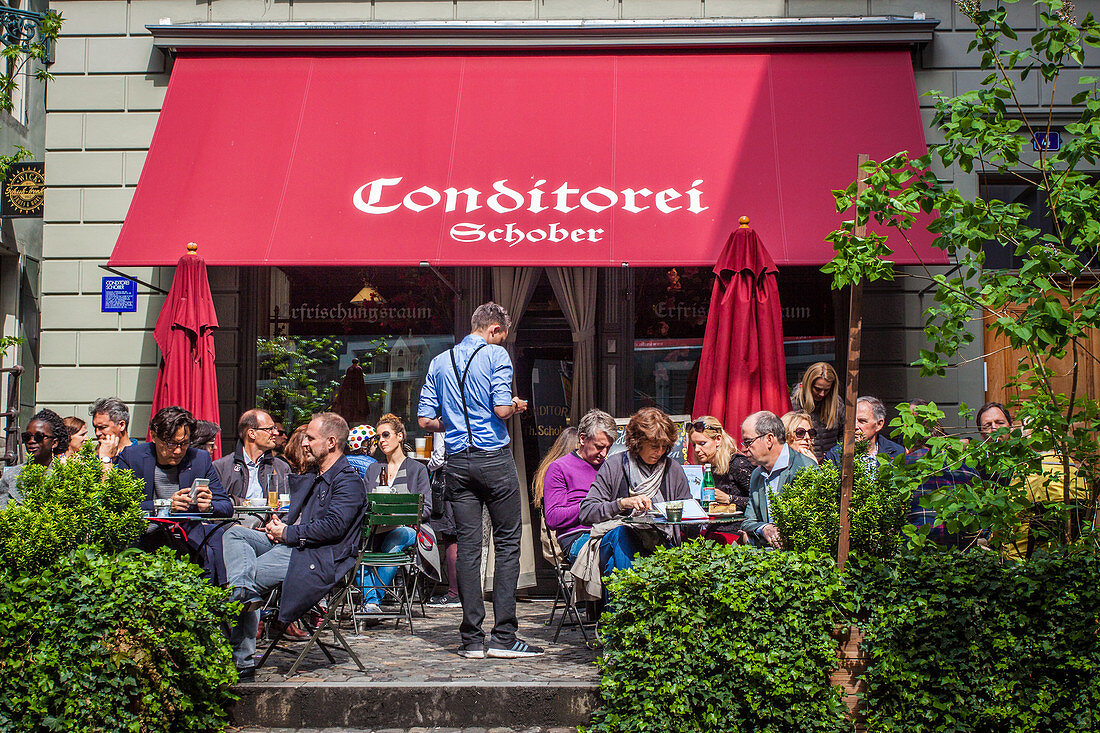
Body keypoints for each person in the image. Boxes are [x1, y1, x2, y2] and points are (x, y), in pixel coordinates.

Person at [417, 301, 540, 659]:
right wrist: (516, 405)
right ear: (494, 330)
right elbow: (501, 409)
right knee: (507, 544)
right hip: (494, 460)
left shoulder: (439, 362)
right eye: (502, 335)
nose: (502, 340)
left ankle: (471, 640)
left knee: (469, 548)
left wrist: (455, 423)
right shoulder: (496, 356)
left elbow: (425, 421)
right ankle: (503, 637)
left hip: (457, 463)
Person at [222, 412, 368, 679]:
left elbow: (333, 527)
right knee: (234, 535)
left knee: (248, 576)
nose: (304, 443)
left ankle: (241, 660)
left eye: (311, 438)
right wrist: (280, 527)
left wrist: (287, 533)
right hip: (295, 546)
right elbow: (306, 520)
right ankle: (242, 593)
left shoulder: (347, 481)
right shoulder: (316, 474)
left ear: (332, 442)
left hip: (318, 557)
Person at [578, 407, 690, 583]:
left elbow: (688, 517)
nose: (660, 452)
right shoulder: (615, 466)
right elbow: (586, 512)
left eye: (664, 447)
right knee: (622, 534)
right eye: (654, 446)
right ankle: (631, 591)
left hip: (662, 540)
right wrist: (622, 504)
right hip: (619, 538)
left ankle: (625, 605)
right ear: (638, 442)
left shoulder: (672, 469)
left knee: (612, 567)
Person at [117, 406, 233, 564]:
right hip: (144, 537)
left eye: (184, 444)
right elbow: (122, 506)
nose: (178, 451)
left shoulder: (199, 459)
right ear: (154, 436)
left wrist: (209, 507)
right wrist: (166, 506)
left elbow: (226, 506)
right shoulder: (132, 457)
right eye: (171, 444)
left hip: (187, 538)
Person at [359, 413, 431, 614]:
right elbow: (363, 503)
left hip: (405, 529)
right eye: (378, 437)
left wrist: (398, 516)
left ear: (400, 436)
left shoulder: (417, 469)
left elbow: (426, 509)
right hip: (374, 529)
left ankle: (372, 600)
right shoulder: (374, 469)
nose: (381, 441)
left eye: (386, 435)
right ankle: (372, 602)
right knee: (350, 544)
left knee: (396, 538)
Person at [544, 411, 617, 562]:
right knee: (617, 551)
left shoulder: (610, 467)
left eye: (608, 447)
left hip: (611, 530)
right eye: (599, 446)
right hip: (578, 536)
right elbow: (553, 518)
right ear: (583, 439)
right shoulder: (559, 468)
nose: (604, 453)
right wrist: (590, 508)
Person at [741, 410, 817, 549]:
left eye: (748, 442)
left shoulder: (804, 469)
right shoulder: (757, 474)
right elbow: (747, 522)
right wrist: (764, 528)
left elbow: (806, 529)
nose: (744, 448)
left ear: (769, 439)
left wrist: (753, 538)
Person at [213, 409, 291, 512]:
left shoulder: (281, 468)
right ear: (252, 433)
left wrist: (277, 526)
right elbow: (216, 508)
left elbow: (287, 508)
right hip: (233, 525)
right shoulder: (221, 467)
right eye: (270, 429)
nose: (276, 433)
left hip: (270, 525)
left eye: (275, 428)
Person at [0, 409, 70, 510]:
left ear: (54, 443)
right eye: (27, 437)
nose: (31, 441)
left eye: (39, 437)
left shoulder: (65, 475)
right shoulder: (11, 476)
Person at [687, 415, 753, 510]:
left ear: (718, 439)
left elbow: (760, 501)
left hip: (736, 523)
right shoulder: (702, 469)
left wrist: (729, 498)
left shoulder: (738, 464)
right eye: (694, 445)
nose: (697, 449)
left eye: (702, 443)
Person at [426, 431, 460, 608]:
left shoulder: (443, 422)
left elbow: (439, 457)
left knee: (450, 536)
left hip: (448, 479)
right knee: (465, 536)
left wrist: (428, 466)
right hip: (469, 478)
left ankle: (454, 593)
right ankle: (466, 591)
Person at [825, 396, 904, 470]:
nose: (855, 426)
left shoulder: (896, 452)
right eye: (851, 420)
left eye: (862, 421)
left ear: (879, 424)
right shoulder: (835, 455)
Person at [790, 362, 845, 461]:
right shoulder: (795, 403)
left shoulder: (836, 403)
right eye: (817, 389)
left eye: (827, 390)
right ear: (808, 384)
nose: (822, 394)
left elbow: (844, 434)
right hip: (803, 462)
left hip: (831, 462)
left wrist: (837, 455)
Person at [89, 397, 137, 465]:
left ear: (121, 425)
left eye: (102, 427)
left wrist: (106, 459)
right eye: (95, 428)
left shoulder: (139, 456)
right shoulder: (96, 458)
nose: (97, 433)